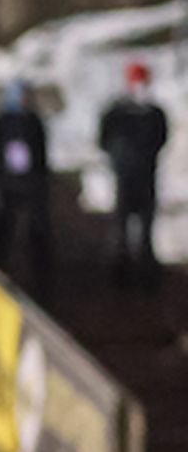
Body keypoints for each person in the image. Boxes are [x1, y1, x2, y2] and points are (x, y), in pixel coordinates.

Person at [100, 60, 170, 288]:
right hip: (125, 175)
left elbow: (162, 137)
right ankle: (119, 274)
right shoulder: (117, 112)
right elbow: (104, 138)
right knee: (121, 225)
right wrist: (120, 158)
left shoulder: (154, 112)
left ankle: (147, 276)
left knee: (146, 227)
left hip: (147, 176)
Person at [0, 78, 52, 290]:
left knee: (36, 230)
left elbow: (41, 154)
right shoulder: (0, 121)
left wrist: (39, 181)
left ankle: (39, 278)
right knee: (1, 227)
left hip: (30, 184)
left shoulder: (34, 122)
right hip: (5, 184)